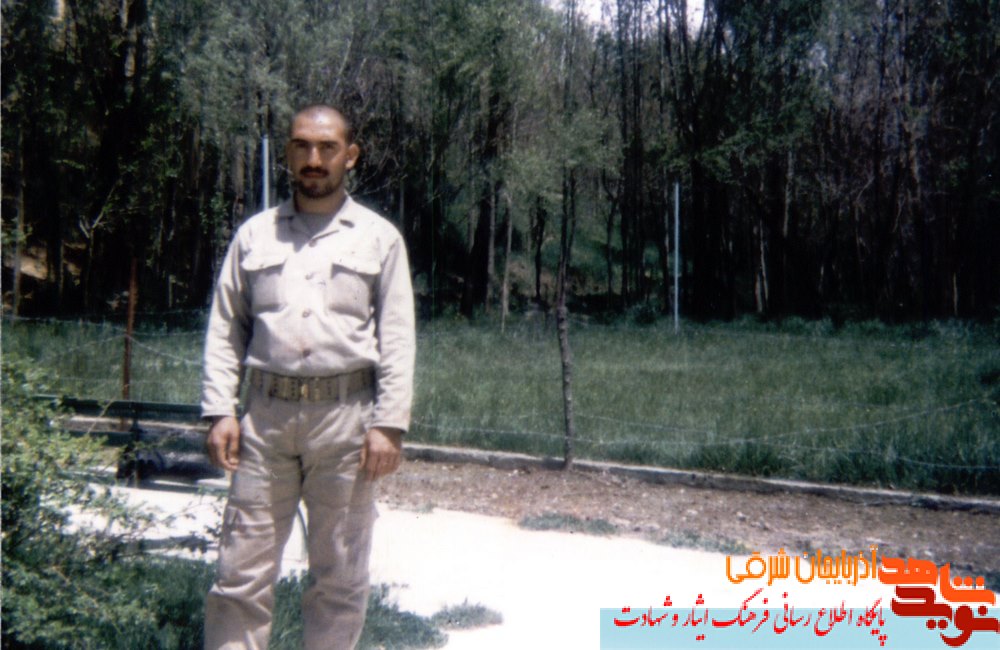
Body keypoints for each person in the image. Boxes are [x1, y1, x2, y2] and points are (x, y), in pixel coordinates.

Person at [200, 104, 415, 649]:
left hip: (346, 425)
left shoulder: (379, 238)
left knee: (339, 579)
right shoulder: (255, 236)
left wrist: (389, 424)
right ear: (289, 153)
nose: (313, 159)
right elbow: (226, 327)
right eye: (302, 146)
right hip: (265, 423)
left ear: (350, 155)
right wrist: (220, 410)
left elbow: (397, 337)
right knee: (239, 575)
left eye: (327, 148)